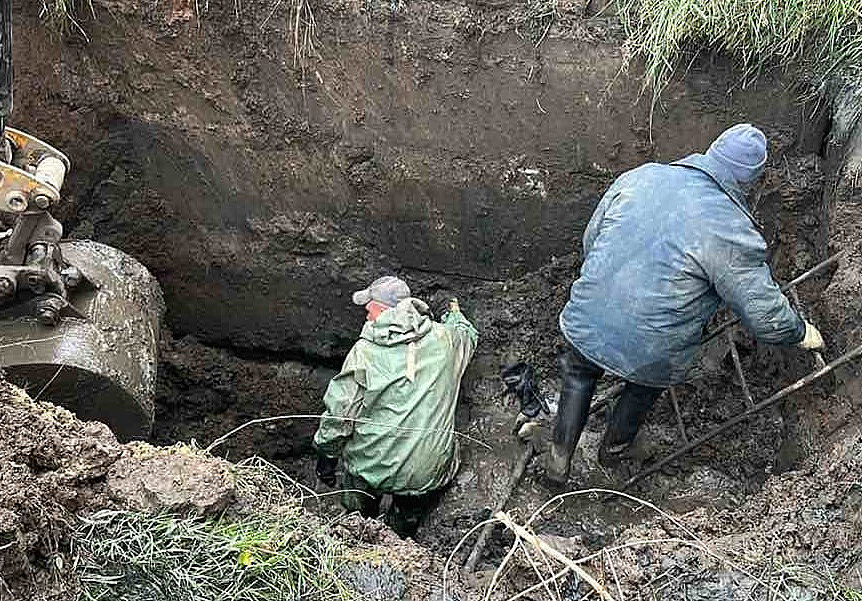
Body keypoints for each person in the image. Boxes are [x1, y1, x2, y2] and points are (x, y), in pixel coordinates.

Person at [544, 123, 826, 483]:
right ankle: (614, 451)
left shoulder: (641, 177)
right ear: (751, 181)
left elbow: (591, 240)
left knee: (579, 372)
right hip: (651, 347)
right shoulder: (731, 228)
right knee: (645, 382)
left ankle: (558, 457)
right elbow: (762, 313)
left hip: (587, 317)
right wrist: (800, 332)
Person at [314, 275, 478, 537]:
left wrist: (326, 456)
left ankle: (357, 531)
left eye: (369, 309)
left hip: (371, 465)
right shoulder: (445, 340)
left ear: (382, 310)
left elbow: (340, 416)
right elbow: (467, 334)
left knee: (356, 516)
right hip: (425, 471)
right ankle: (399, 538)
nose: (366, 316)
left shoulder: (364, 352)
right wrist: (455, 314)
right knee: (405, 522)